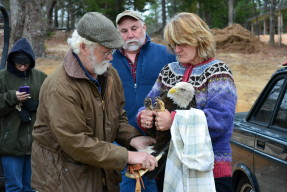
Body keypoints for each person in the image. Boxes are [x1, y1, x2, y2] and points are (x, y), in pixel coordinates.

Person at [30, 12, 157, 192]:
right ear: (83, 47)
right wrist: (127, 156)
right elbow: (76, 142)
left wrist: (134, 138)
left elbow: (117, 118)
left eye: (112, 51)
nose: (111, 58)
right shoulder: (59, 87)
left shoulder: (109, 75)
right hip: (64, 182)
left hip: (99, 175)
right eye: (105, 52)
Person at [138, 12, 237, 191]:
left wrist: (173, 120)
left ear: (199, 39)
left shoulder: (219, 72)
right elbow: (150, 104)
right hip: (168, 168)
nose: (177, 50)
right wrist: (145, 117)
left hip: (210, 169)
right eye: (174, 44)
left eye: (182, 43)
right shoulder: (168, 71)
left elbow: (221, 120)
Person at [111, 10, 176, 192]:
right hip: (123, 143)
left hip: (162, 144)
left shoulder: (166, 54)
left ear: (144, 27)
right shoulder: (109, 60)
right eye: (124, 31)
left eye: (134, 28)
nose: (130, 34)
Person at [0, 38, 47, 192]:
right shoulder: (2, 77)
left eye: (25, 64)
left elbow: (52, 103)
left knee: (31, 187)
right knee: (14, 187)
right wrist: (12, 97)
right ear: (12, 61)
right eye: (18, 64)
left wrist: (37, 104)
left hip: (35, 143)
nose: (21, 67)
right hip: (11, 144)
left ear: (31, 62)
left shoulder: (41, 77)